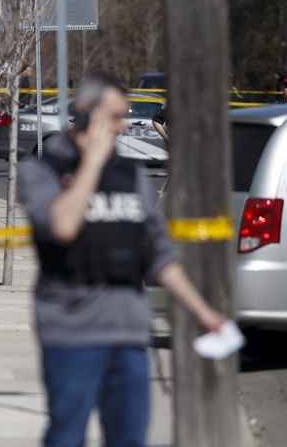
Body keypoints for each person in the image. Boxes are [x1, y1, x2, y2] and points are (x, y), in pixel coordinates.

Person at [18, 73, 227, 447]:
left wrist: (203, 313)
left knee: (129, 438)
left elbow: (159, 255)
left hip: (129, 330)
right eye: (115, 116)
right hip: (71, 329)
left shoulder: (131, 175)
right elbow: (62, 227)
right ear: (85, 115)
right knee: (67, 436)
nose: (125, 124)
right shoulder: (43, 170)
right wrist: (92, 165)